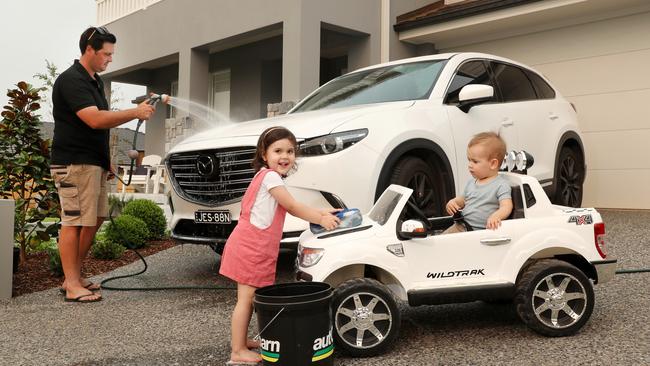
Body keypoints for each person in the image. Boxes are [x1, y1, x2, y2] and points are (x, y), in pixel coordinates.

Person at [50, 26, 155, 303]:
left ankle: (72, 276)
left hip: (92, 163)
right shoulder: (72, 80)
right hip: (73, 163)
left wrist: (105, 160)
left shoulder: (94, 81)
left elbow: (98, 127)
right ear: (89, 49)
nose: (110, 59)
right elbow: (95, 120)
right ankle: (72, 285)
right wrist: (135, 111)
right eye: (106, 54)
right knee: (74, 221)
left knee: (94, 220)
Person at [219, 126, 340, 364]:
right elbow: (293, 206)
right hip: (251, 247)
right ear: (264, 154)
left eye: (290, 151)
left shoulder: (263, 176)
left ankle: (242, 343)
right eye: (277, 151)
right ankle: (237, 351)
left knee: (249, 298)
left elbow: (288, 205)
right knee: (245, 299)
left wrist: (320, 210)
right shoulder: (271, 177)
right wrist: (321, 219)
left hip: (248, 244)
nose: (284, 156)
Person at [444, 132, 513, 233]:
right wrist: (453, 202)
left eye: (475, 161)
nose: (470, 165)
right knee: (440, 241)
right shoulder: (472, 182)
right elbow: (462, 200)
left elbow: (506, 206)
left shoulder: (501, 185)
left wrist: (496, 216)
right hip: (461, 226)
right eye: (469, 160)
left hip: (478, 232)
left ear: (493, 164)